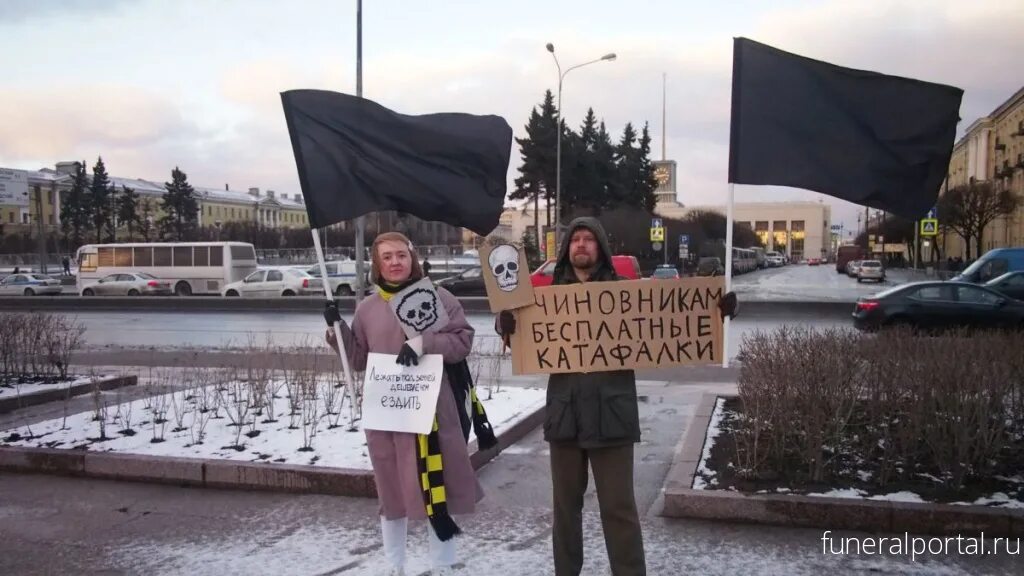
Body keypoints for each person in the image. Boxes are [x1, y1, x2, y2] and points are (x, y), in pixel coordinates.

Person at [497, 218, 737, 576]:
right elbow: (515, 341)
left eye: (589, 239)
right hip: (565, 415)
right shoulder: (542, 298)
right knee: (565, 508)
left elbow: (677, 314)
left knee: (619, 508)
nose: (581, 244)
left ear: (601, 248)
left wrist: (721, 310)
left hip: (613, 416)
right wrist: (507, 325)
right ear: (566, 248)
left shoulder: (626, 291)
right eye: (575, 239)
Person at [324, 231, 480, 576]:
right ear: (377, 265)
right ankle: (394, 565)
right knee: (391, 490)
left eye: (401, 255)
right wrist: (337, 331)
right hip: (388, 412)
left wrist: (425, 342)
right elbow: (359, 359)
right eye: (387, 257)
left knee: (439, 486)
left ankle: (442, 563)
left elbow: (462, 341)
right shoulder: (367, 308)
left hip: (434, 411)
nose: (395, 262)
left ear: (412, 258)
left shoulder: (438, 297)